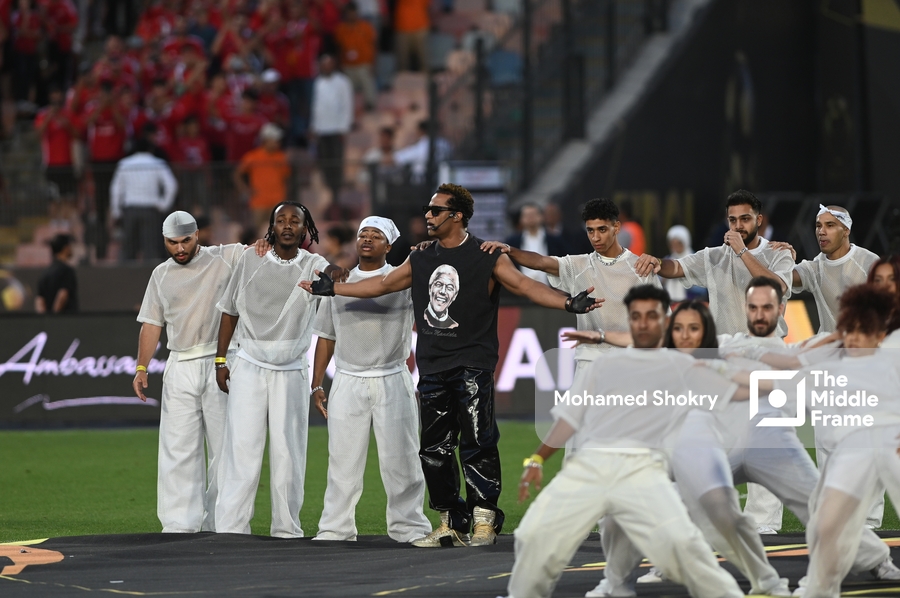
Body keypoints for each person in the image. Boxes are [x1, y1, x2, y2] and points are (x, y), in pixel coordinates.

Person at [301, 183, 602, 547]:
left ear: (456, 215)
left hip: (472, 363)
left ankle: (484, 522)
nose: (428, 215)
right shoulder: (421, 256)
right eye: (429, 210)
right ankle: (450, 522)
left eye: (435, 210)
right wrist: (333, 289)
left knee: (477, 442)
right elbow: (380, 285)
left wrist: (568, 304)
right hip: (431, 366)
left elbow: (524, 286)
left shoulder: (486, 254)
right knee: (434, 449)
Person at [505, 285, 745, 598]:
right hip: (589, 467)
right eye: (637, 317)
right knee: (532, 536)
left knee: (682, 548)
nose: (643, 323)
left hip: (642, 471)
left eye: (651, 316)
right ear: (630, 320)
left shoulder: (686, 365)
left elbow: (739, 389)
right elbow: (569, 418)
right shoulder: (602, 366)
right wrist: (537, 460)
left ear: (664, 319)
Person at [214, 202, 345, 537]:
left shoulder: (312, 263)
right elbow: (229, 312)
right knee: (241, 450)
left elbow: (332, 270)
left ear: (305, 229)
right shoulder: (250, 259)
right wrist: (220, 360)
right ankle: (231, 529)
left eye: (295, 221)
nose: (288, 225)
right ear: (271, 227)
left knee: (289, 453)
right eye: (281, 220)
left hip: (291, 369)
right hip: (249, 364)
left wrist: (336, 275)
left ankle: (286, 529)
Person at [765, 285, 900, 597]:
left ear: (879, 334)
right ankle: (820, 589)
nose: (852, 338)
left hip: (890, 443)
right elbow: (780, 363)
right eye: (847, 330)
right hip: (854, 451)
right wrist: (828, 341)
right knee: (825, 523)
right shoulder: (828, 354)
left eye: (861, 331)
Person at [312, 217, 431, 543]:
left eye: (376, 235)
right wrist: (317, 383)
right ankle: (335, 529)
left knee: (402, 460)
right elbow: (325, 336)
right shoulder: (338, 280)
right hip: (348, 378)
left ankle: (410, 527)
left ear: (389, 246)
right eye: (363, 233)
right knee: (342, 461)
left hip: (392, 375)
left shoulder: (401, 278)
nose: (366, 239)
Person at [132, 212, 242, 533]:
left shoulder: (226, 257)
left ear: (197, 235)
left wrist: (264, 243)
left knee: (227, 448)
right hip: (178, 362)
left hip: (221, 360)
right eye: (172, 242)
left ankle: (225, 523)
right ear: (164, 240)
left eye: (185, 240)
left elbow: (262, 250)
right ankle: (179, 526)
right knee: (177, 448)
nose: (179, 248)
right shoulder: (160, 274)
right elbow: (152, 323)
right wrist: (142, 367)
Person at [635, 189, 794, 336]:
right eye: (733, 220)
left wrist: (742, 251)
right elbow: (677, 267)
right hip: (725, 350)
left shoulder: (779, 253)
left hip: (766, 347)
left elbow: (777, 288)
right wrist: (658, 262)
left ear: (759, 220)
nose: (738, 226)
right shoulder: (715, 256)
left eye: (745, 219)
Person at [777, 205, 879, 335]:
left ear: (846, 230)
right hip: (828, 350)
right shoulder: (814, 269)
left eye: (830, 225)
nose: (821, 232)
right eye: (818, 226)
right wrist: (779, 258)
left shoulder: (869, 262)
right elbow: (779, 280)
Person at [110, 137, 179, 262]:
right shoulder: (157, 163)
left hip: (130, 209)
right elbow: (172, 185)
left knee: (128, 247)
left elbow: (116, 189)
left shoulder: (124, 164)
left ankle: (124, 277)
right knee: (151, 247)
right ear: (150, 149)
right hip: (151, 210)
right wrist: (164, 205)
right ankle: (150, 278)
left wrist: (116, 211)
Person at [233, 123, 290, 237]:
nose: (277, 143)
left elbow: (286, 178)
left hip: (277, 200)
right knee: (256, 232)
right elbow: (237, 174)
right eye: (275, 140)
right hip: (259, 201)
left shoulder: (281, 157)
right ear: (266, 140)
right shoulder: (253, 156)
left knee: (278, 232)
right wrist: (245, 190)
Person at [310, 54, 353, 206]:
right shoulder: (317, 82)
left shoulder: (342, 81)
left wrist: (344, 127)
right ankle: (328, 187)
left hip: (336, 128)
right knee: (324, 160)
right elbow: (316, 107)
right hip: (321, 129)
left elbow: (347, 104)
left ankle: (336, 190)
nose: (326, 67)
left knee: (336, 160)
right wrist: (314, 126)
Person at [503, 203, 567, 284]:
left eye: (533, 214)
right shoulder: (512, 242)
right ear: (521, 219)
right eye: (527, 215)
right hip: (520, 290)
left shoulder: (555, 240)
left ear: (541, 217)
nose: (530, 218)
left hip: (550, 289)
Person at [334, 2, 377, 110]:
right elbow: (338, 49)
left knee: (368, 89)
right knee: (348, 92)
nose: (351, 16)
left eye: (353, 13)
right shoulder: (341, 29)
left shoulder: (366, 27)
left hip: (364, 64)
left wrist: (374, 63)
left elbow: (375, 45)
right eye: (349, 13)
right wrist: (340, 66)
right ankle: (349, 112)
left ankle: (370, 107)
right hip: (347, 66)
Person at [35, 233, 78, 314]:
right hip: (66, 322)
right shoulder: (67, 271)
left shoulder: (45, 273)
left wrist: (45, 320)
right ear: (66, 248)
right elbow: (62, 295)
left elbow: (40, 300)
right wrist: (54, 319)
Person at [663, 224, 706, 302]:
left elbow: (703, 289)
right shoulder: (667, 261)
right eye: (672, 244)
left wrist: (683, 277)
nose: (675, 247)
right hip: (670, 303)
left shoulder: (695, 260)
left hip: (691, 303)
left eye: (679, 243)